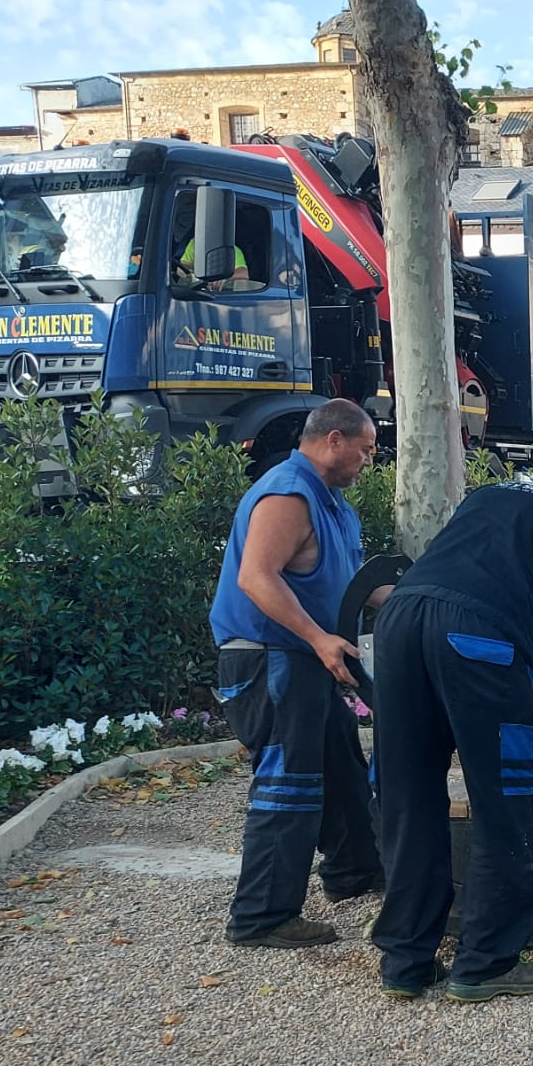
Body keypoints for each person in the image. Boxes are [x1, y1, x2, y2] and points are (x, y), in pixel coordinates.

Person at [369, 451, 533, 1002]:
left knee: (407, 795)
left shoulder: (490, 494)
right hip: (480, 642)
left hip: (400, 623)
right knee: (509, 801)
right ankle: (485, 963)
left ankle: (406, 961)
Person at [209, 399, 384, 949]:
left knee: (341, 768)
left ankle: (355, 873)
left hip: (307, 659)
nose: (369, 460)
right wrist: (317, 637)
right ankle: (261, 916)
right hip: (271, 658)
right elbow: (256, 578)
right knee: (290, 786)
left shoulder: (333, 503)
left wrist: (415, 601)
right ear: (333, 439)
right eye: (366, 448)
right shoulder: (288, 492)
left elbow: (352, 581)